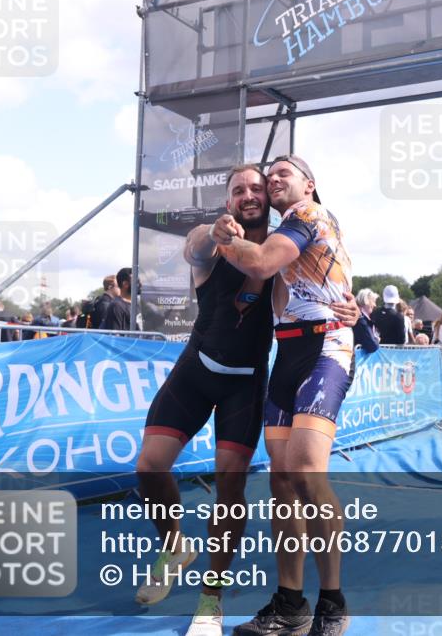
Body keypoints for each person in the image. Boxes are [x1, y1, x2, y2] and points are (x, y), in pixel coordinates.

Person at [134, 163, 360, 636]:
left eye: (258, 186)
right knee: (150, 466)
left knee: (234, 491)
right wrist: (211, 232)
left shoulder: (285, 246)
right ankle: (175, 546)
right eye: (239, 190)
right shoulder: (216, 238)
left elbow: (316, 279)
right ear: (229, 201)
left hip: (249, 382)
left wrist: (357, 311)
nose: (252, 194)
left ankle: (211, 601)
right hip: (196, 370)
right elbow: (194, 246)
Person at [219, 154, 355, 635]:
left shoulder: (308, 214)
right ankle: (290, 605)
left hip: (325, 348)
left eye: (284, 173)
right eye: (269, 175)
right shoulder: (287, 230)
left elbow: (259, 262)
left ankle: (333, 603)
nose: (274, 179)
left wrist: (221, 236)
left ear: (309, 184)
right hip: (288, 353)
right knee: (281, 481)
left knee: (304, 472)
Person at [352, 288, 380, 353]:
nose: (375, 305)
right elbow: (373, 346)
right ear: (366, 301)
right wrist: (376, 339)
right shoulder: (361, 320)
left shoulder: (360, 317)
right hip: (356, 357)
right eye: (373, 301)